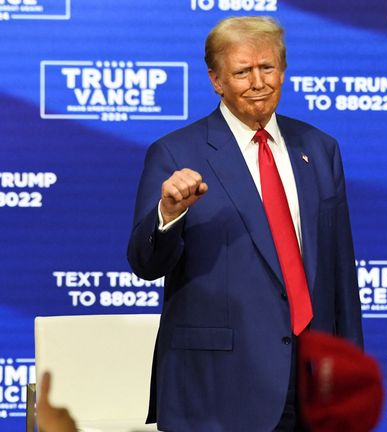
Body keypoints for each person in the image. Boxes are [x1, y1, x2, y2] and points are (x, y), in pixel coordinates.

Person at [127, 16, 363, 431]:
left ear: (283, 71)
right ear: (217, 80)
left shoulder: (320, 149)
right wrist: (168, 214)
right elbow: (146, 264)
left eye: (267, 68)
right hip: (217, 387)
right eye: (242, 72)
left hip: (310, 381)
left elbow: (341, 273)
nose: (259, 82)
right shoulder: (175, 152)